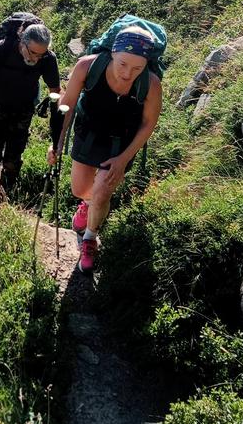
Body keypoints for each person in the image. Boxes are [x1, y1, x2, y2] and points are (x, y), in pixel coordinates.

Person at [50, 25, 162, 274]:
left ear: (146, 65)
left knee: (102, 192)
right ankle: (87, 204)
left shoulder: (150, 84)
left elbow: (148, 123)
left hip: (121, 144)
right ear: (112, 53)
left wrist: (123, 159)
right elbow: (66, 105)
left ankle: (90, 238)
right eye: (123, 64)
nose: (128, 74)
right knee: (80, 189)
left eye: (137, 68)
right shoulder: (87, 67)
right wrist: (56, 142)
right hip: (88, 134)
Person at [0, 21, 60, 200]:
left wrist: (57, 129)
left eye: (40, 55)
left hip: (23, 110)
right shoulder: (1, 49)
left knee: (13, 157)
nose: (36, 59)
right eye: (33, 53)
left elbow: (55, 93)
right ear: (22, 41)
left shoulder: (47, 58)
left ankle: (3, 197)